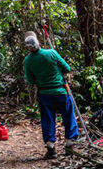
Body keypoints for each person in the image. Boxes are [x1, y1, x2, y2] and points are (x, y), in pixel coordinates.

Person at [22, 31, 79, 159]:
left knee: (48, 119)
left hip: (44, 93)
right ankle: (70, 145)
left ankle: (51, 148)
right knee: (68, 116)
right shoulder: (51, 53)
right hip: (61, 91)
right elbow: (67, 68)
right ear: (39, 43)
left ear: (28, 48)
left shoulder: (28, 61)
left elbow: (30, 81)